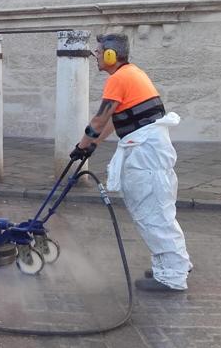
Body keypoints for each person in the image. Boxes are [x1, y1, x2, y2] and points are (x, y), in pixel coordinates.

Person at [71, 33, 192, 292]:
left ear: (111, 55)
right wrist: (92, 145)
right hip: (149, 149)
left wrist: (81, 145)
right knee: (159, 210)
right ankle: (172, 263)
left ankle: (172, 276)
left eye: (99, 51)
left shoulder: (119, 78)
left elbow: (99, 120)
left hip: (145, 154)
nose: (95, 55)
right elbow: (115, 120)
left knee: (151, 211)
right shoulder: (132, 74)